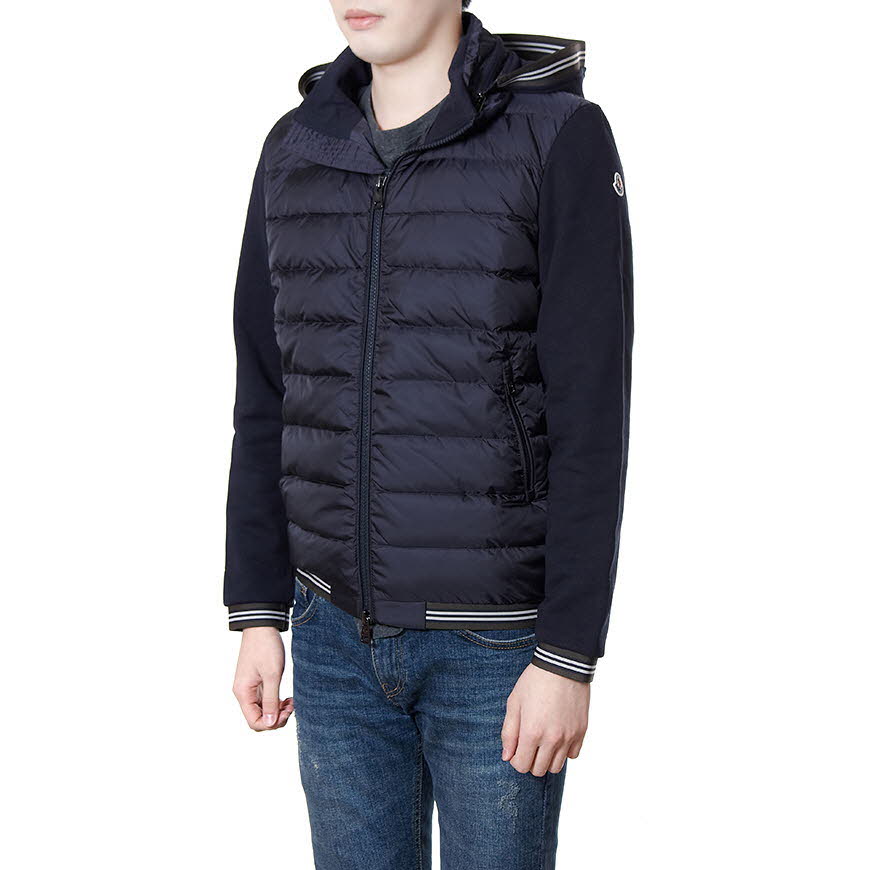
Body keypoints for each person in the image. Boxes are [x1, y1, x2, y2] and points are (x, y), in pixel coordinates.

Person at [224, 2, 633, 867]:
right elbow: (266, 392)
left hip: (495, 650)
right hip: (331, 635)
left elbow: (592, 416)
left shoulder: (557, 136)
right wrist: (258, 611)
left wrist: (568, 656)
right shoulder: (295, 148)